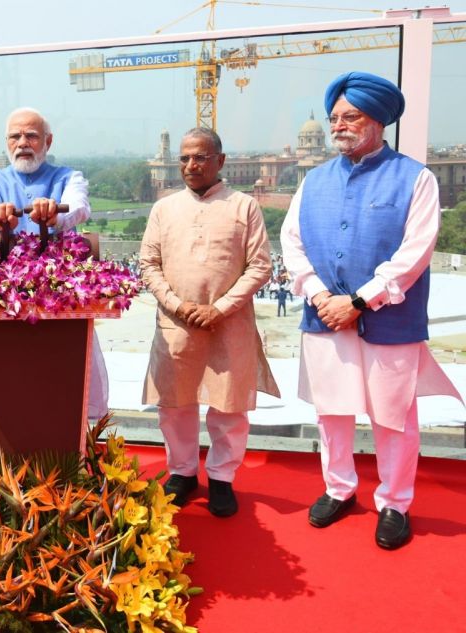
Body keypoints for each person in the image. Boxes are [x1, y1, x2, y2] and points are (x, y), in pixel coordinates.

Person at [280, 72, 463, 549]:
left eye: (350, 116)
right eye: (334, 117)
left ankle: (395, 503)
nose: (339, 125)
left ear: (378, 120)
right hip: (325, 317)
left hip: (389, 319)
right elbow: (292, 243)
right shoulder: (314, 181)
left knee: (393, 416)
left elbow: (416, 251)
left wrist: (361, 301)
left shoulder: (415, 179)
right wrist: (322, 296)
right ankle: (339, 488)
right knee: (332, 413)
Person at [139, 127, 279, 514]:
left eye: (200, 157)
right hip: (177, 323)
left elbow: (260, 266)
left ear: (220, 160)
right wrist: (177, 305)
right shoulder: (164, 208)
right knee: (175, 403)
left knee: (229, 405)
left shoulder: (243, 206)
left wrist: (220, 307)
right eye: (184, 158)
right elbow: (148, 264)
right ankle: (182, 472)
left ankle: (222, 478)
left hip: (228, 323)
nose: (190, 165)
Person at [0, 107, 109, 420]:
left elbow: (79, 208)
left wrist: (56, 216)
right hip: (8, 296)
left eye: (31, 136)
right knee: (13, 382)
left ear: (47, 141)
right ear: (6, 143)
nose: (22, 143)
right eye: (15, 136)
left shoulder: (68, 177)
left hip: (60, 294)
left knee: (70, 376)